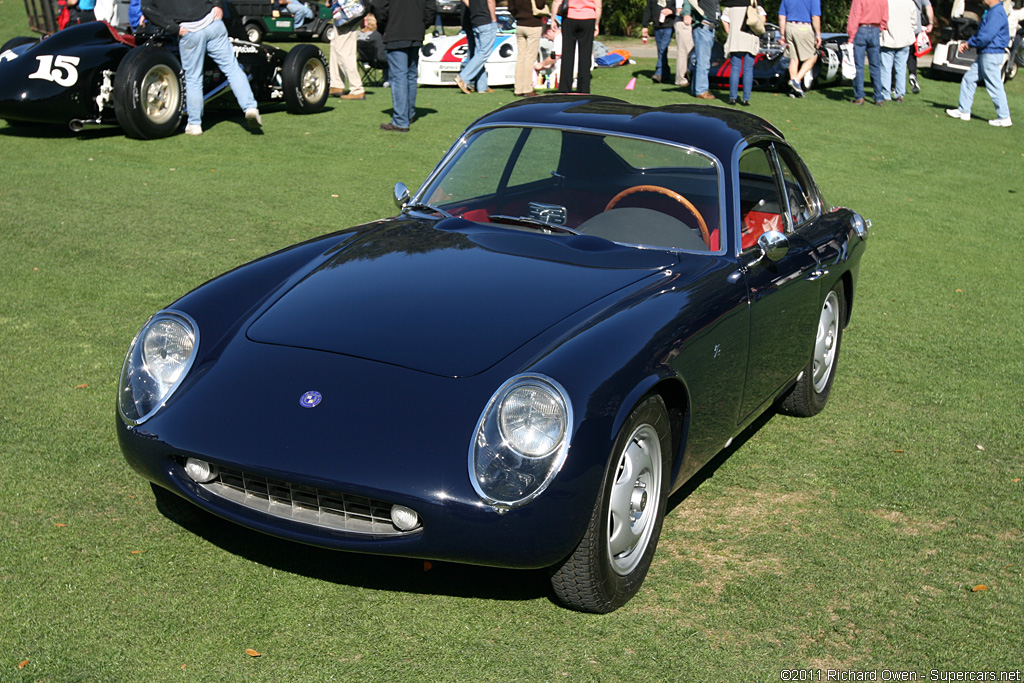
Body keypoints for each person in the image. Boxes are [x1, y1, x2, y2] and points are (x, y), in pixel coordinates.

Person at [142, 0, 262, 135]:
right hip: (213, 23)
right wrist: (217, 5)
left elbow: (147, 9)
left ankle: (194, 124)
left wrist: (175, 29)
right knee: (232, 68)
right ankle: (250, 107)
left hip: (188, 31)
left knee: (193, 78)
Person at [946, 0, 1012, 126]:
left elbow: (986, 36)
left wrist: (969, 43)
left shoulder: (996, 12)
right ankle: (964, 110)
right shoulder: (992, 11)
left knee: (994, 84)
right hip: (987, 53)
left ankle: (1004, 117)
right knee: (969, 79)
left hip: (991, 54)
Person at [377, 0, 436, 131]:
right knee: (410, 75)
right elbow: (430, 9)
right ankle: (408, 114)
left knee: (399, 76)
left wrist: (384, 26)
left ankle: (401, 120)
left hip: (395, 30)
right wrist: (422, 25)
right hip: (415, 31)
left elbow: (380, 8)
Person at [550, 0, 602, 93]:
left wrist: (553, 18)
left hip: (570, 17)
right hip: (588, 17)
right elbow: (598, 5)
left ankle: (564, 88)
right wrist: (596, 23)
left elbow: (557, 1)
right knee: (585, 55)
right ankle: (584, 89)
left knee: (567, 54)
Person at [720, 0, 762, 105]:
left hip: (735, 38)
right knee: (748, 69)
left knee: (735, 68)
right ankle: (746, 99)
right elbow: (762, 18)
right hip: (750, 37)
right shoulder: (754, 1)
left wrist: (729, 32)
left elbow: (724, 19)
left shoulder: (731, 3)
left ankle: (732, 98)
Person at [847, 0, 888, 105]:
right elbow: (885, 15)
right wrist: (881, 27)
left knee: (859, 66)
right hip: (875, 29)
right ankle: (878, 96)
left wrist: (851, 37)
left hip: (861, 29)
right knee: (875, 66)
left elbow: (854, 17)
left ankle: (859, 96)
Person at [778, 0, 821, 97]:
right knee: (813, 56)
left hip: (789, 27)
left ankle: (794, 90)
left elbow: (781, 16)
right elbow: (815, 17)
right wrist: (818, 34)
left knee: (794, 58)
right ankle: (796, 80)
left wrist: (782, 34)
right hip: (804, 28)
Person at [455, 0, 498, 94]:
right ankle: (464, 77)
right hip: (486, 21)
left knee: (479, 53)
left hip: (475, 21)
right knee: (483, 53)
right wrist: (493, 18)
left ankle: (482, 86)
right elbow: (490, 1)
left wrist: (475, 11)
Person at [328, 0, 367, 99]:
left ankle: (357, 89)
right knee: (335, 47)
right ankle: (337, 84)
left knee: (344, 51)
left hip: (347, 12)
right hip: (344, 11)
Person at [879, 0, 916, 102]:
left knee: (886, 68)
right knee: (901, 68)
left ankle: (886, 94)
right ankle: (900, 93)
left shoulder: (885, 2)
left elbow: (880, 20)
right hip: (904, 39)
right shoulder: (910, 3)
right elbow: (914, 22)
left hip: (888, 39)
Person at [509, 0, 546, 97]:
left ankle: (518, 89)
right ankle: (527, 89)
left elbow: (511, 8)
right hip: (533, 24)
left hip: (520, 25)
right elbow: (540, 4)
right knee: (530, 58)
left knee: (521, 57)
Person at [689, 0, 721, 99]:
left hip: (710, 28)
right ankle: (701, 90)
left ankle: (696, 88)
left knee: (702, 60)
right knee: (703, 61)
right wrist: (686, 13)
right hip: (704, 27)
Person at [641, 0, 676, 83]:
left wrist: (671, 11)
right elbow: (648, 10)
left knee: (662, 49)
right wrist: (645, 26)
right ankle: (666, 73)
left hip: (669, 26)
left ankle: (658, 73)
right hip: (657, 27)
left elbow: (679, 8)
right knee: (661, 50)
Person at [907, 0, 933, 93]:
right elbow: (928, 7)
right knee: (912, 55)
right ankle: (912, 74)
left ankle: (894, 85)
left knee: (897, 55)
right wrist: (931, 23)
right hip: (915, 28)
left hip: (901, 27)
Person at [674, 0, 694, 88]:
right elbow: (679, 10)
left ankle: (687, 76)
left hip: (690, 23)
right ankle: (681, 79)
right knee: (684, 52)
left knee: (688, 52)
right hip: (683, 23)